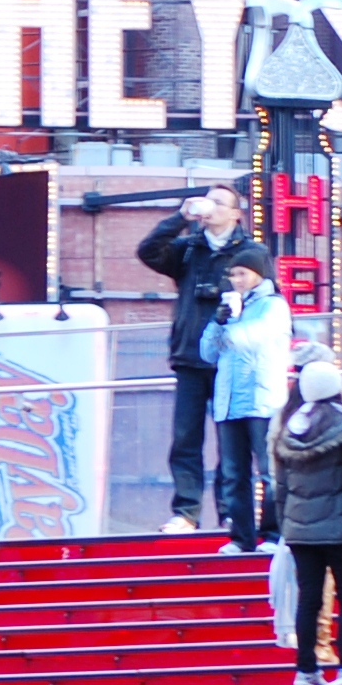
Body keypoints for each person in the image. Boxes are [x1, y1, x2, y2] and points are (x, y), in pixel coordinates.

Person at [138, 185, 264, 533]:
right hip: (191, 357)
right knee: (185, 438)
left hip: (232, 360)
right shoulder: (189, 248)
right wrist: (181, 217)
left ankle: (231, 514)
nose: (210, 208)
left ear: (236, 214)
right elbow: (147, 251)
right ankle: (186, 513)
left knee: (231, 441)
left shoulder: (250, 253)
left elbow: (268, 299)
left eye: (218, 202)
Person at [274, 361, 342, 685]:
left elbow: (281, 487)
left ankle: (305, 669)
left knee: (309, 598)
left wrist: (287, 523)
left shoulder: (290, 429)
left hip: (301, 531)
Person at [197, 253, 291, 552]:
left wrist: (231, 322)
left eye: (241, 274)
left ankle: (275, 534)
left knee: (270, 471)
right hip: (228, 403)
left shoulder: (274, 306)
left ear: (258, 275)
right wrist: (217, 321)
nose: (236, 280)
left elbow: (250, 338)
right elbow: (207, 354)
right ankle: (241, 537)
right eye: (233, 275)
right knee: (234, 473)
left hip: (262, 400)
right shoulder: (230, 308)